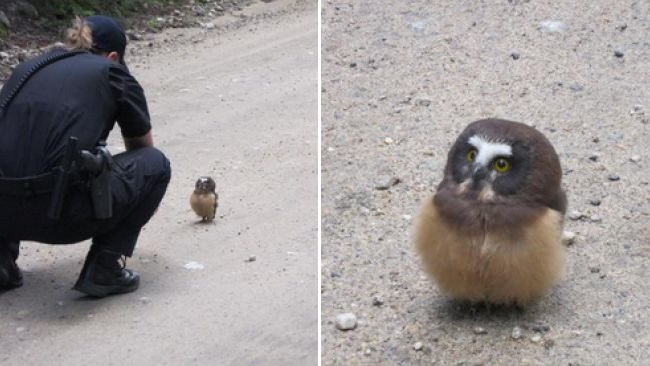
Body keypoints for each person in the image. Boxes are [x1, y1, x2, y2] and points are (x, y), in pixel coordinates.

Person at [0, 15, 171, 297]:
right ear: (113, 56)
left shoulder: (25, 70)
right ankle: (105, 268)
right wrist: (141, 198)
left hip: (4, 214)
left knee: (18, 156)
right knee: (156, 166)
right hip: (62, 217)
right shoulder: (112, 72)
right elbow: (142, 148)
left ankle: (2, 263)